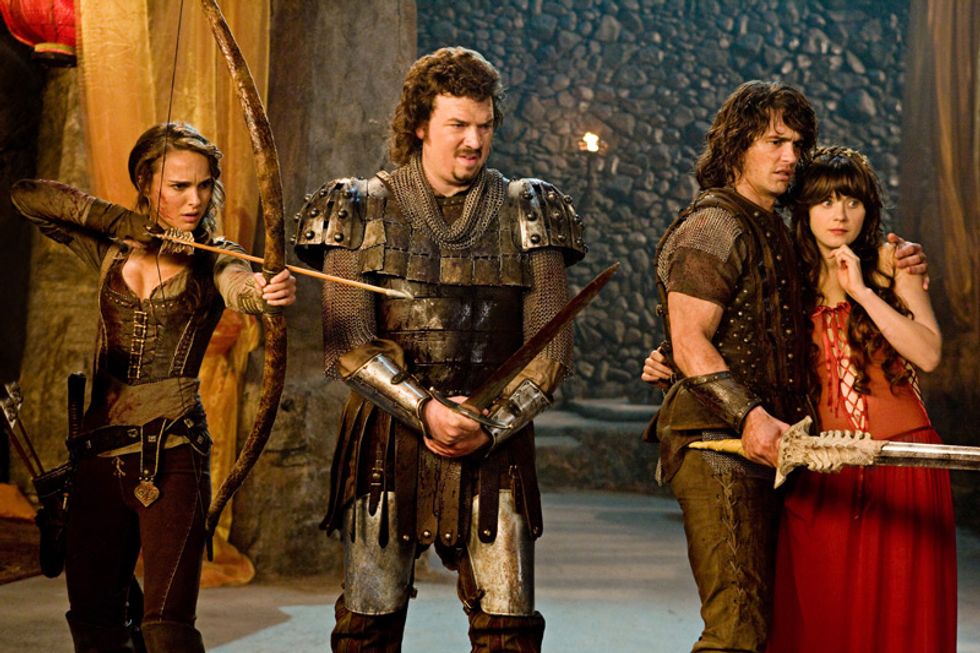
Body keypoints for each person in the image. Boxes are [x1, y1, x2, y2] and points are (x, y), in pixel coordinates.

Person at [293, 46, 584, 652]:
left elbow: (549, 351)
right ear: (421, 124)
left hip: (494, 440)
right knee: (368, 626)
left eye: (484, 125)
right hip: (386, 437)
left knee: (508, 629)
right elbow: (348, 342)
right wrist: (424, 410)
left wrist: (489, 424)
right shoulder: (358, 207)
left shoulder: (530, 209)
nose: (474, 141)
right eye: (458, 125)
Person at [641, 81, 926, 653]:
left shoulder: (778, 227)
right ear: (736, 145)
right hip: (719, 444)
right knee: (737, 626)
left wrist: (899, 264)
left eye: (797, 144)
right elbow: (691, 339)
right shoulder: (713, 224)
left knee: (779, 628)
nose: (790, 157)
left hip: (780, 448)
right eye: (775, 142)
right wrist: (747, 414)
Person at [11, 122, 296, 653]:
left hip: (173, 454)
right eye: (178, 186)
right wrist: (121, 222)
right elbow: (27, 197)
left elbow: (241, 286)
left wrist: (265, 292)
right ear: (146, 184)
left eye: (204, 185)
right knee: (94, 623)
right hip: (96, 457)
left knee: (167, 628)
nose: (195, 200)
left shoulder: (215, 255)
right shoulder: (111, 248)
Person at [764, 146, 956, 652]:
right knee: (821, 620)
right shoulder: (786, 279)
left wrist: (863, 293)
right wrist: (668, 361)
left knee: (900, 620)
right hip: (824, 469)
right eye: (826, 201)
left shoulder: (893, 264)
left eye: (852, 201)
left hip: (904, 463)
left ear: (868, 210)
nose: (840, 214)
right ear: (805, 209)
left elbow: (929, 353)